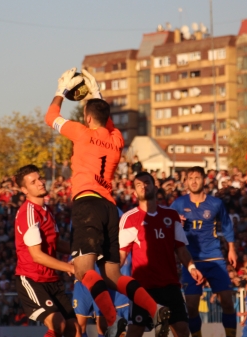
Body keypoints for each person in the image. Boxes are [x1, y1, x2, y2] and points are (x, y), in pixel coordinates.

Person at [45, 68, 169, 337]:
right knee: (113, 275)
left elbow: (50, 117)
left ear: (87, 117)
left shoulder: (81, 132)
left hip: (87, 204)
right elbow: (107, 123)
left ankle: (112, 320)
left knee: (82, 270)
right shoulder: (117, 140)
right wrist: (97, 94)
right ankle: (154, 307)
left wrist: (61, 92)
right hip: (110, 208)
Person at [120, 172, 204, 337]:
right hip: (143, 287)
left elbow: (181, 249)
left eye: (147, 183)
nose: (143, 186)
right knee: (135, 332)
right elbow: (121, 255)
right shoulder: (129, 218)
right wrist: (109, 272)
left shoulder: (171, 216)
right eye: (138, 185)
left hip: (170, 286)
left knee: (182, 330)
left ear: (155, 187)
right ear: (134, 193)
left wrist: (192, 267)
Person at [170, 166, 237, 337]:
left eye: (197, 177)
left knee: (228, 302)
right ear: (185, 182)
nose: (193, 181)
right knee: (191, 307)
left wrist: (231, 249)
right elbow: (166, 224)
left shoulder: (216, 203)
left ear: (204, 180)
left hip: (214, 258)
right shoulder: (178, 204)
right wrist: (175, 222)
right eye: (190, 177)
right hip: (190, 261)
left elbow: (227, 225)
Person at [13, 164, 79, 337]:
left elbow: (56, 243)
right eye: (33, 182)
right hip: (33, 279)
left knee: (75, 329)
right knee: (58, 324)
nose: (40, 183)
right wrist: (70, 268)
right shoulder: (28, 213)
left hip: (51, 279)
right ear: (24, 190)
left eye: (40, 178)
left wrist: (82, 252)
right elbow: (37, 256)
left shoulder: (46, 210)